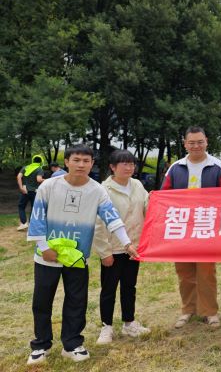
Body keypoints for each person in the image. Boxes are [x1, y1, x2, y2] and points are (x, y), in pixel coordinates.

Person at [26, 144, 138, 365]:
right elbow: (37, 217)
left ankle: (72, 344)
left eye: (86, 161)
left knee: (76, 301)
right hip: (48, 256)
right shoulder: (49, 186)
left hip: (77, 257)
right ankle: (41, 345)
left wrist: (127, 244)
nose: (81, 165)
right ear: (67, 162)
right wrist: (44, 247)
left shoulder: (97, 190)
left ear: (92, 164)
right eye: (76, 160)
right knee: (42, 301)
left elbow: (112, 218)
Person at [161, 126, 221, 329]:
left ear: (206, 141)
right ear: (185, 144)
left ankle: (210, 312)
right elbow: (164, 195)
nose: (196, 146)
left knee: (206, 272)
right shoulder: (176, 168)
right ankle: (188, 310)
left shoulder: (217, 166)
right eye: (192, 142)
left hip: (207, 226)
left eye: (200, 142)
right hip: (181, 227)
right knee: (184, 272)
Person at [94, 150, 150, 345]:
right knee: (109, 289)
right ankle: (106, 327)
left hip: (134, 247)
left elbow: (147, 207)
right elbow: (98, 224)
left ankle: (129, 323)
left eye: (131, 164)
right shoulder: (103, 190)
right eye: (124, 164)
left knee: (129, 286)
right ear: (112, 167)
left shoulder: (137, 185)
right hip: (114, 248)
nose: (129, 167)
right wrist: (104, 252)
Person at [17, 155, 45, 230]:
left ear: (33, 160)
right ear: (41, 162)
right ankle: (31, 224)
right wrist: (47, 180)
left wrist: (21, 187)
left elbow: (19, 177)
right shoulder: (39, 169)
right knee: (33, 207)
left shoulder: (25, 167)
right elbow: (39, 179)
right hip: (34, 191)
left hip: (25, 190)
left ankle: (23, 223)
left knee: (21, 206)